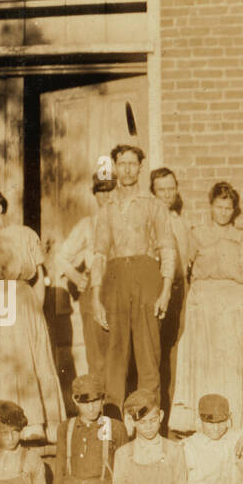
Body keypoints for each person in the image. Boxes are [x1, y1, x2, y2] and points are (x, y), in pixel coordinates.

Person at [0, 184, 67, 443]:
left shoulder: (24, 235)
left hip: (22, 303)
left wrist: (36, 314)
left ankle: (35, 424)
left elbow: (39, 278)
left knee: (25, 358)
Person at [90, 144, 177, 407]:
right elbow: (99, 255)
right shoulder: (106, 210)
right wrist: (96, 298)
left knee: (148, 354)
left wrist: (166, 290)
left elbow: (168, 249)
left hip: (147, 277)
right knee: (115, 356)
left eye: (132, 163)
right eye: (121, 163)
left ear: (140, 167)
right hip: (115, 280)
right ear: (114, 167)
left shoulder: (154, 206)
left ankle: (149, 422)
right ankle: (114, 424)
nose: (127, 169)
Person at [169, 182, 243, 433]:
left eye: (228, 208)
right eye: (219, 207)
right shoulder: (196, 235)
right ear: (211, 207)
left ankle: (232, 419)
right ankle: (202, 420)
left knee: (230, 362)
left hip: (233, 304)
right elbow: (183, 270)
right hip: (203, 304)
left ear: (234, 210)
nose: (224, 212)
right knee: (204, 361)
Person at [53, 173, 117, 384]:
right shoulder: (87, 224)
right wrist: (77, 276)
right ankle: (101, 408)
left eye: (110, 190)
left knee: (120, 348)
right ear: (95, 194)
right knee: (97, 352)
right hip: (94, 289)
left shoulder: (125, 221)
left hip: (120, 286)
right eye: (101, 190)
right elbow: (61, 257)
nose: (106, 195)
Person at [150, 167, 190, 413]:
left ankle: (172, 412)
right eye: (161, 190)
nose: (166, 194)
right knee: (154, 352)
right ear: (153, 193)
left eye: (170, 189)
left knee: (175, 351)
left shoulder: (180, 221)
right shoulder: (149, 219)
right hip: (156, 290)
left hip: (179, 291)